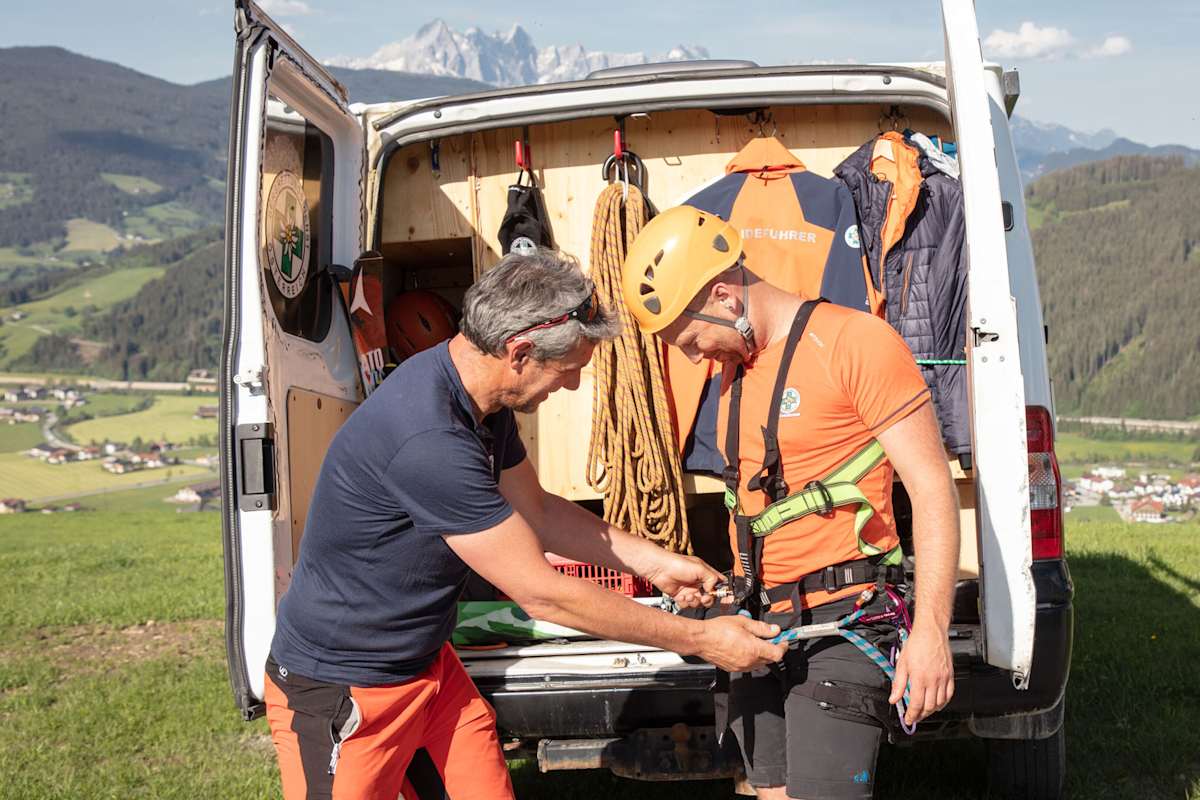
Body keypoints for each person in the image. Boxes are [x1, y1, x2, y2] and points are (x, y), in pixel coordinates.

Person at [263, 247, 787, 800]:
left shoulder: (480, 402)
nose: (571, 387)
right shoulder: (428, 439)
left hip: (428, 667)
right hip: (344, 688)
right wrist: (702, 640)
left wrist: (657, 563)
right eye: (566, 373)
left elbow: (535, 510)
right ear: (519, 352)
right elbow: (543, 595)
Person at [621, 206, 961, 800]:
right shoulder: (737, 371)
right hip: (757, 628)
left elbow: (933, 491)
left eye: (693, 339)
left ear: (725, 296)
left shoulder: (855, 342)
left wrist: (932, 632)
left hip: (842, 625)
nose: (696, 357)